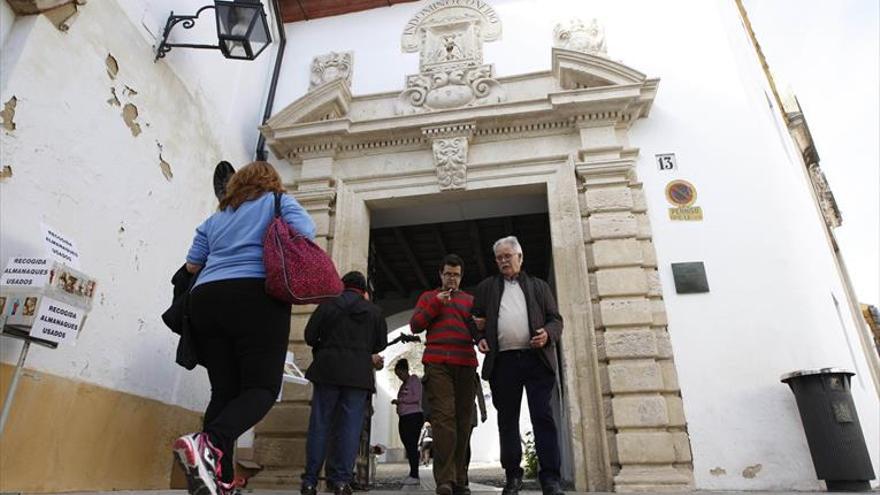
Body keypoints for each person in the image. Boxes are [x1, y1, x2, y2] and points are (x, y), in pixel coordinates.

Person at [173, 161, 316, 495]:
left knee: (223, 392)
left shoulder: (215, 218)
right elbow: (306, 231)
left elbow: (193, 263)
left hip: (206, 300)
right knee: (262, 389)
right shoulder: (277, 201)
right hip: (256, 297)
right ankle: (209, 443)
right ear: (271, 181)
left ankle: (218, 480)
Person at [472, 236, 564, 495]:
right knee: (507, 421)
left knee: (542, 418)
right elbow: (473, 319)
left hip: (537, 360)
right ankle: (513, 476)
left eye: (507, 256)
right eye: (499, 258)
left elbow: (556, 320)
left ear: (520, 258)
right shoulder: (487, 287)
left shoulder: (539, 286)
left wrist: (547, 333)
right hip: (504, 363)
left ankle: (550, 479)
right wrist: (479, 338)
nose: (503, 261)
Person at [300, 271, 388, 495]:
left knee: (320, 424)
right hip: (357, 375)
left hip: (327, 371)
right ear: (364, 291)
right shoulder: (373, 311)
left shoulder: (328, 304)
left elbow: (310, 335)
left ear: (342, 285)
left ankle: (310, 481)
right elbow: (380, 344)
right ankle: (341, 482)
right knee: (350, 428)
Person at [410, 254, 478, 495]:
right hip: (437, 363)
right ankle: (445, 481)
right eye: (448, 274)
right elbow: (415, 325)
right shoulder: (428, 297)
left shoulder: (470, 300)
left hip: (466, 364)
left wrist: (481, 331)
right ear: (440, 274)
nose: (452, 279)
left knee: (463, 422)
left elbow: (477, 329)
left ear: (461, 277)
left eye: (456, 275)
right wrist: (436, 304)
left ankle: (459, 478)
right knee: (444, 421)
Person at [392, 358, 424, 486]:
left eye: (400, 374)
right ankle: (412, 472)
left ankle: (415, 474)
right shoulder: (403, 384)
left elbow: (416, 397)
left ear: (405, 370)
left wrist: (401, 401)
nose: (399, 377)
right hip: (404, 417)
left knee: (411, 444)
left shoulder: (414, 380)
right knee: (408, 444)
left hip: (413, 416)